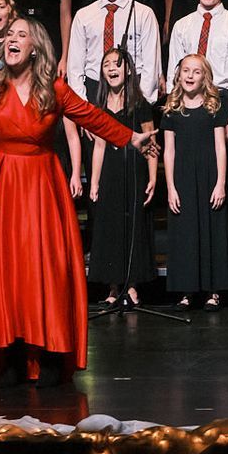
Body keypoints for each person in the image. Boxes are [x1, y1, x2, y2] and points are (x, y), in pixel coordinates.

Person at [0, 19, 156, 385]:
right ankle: (6, 352)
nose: (11, 40)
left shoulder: (53, 89)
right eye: (8, 36)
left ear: (36, 48)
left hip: (41, 186)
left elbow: (92, 116)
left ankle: (42, 353)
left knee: (40, 268)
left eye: (20, 35)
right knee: (3, 270)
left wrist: (131, 137)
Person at [166, 0, 228, 258]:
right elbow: (173, 75)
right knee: (192, 176)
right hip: (189, 103)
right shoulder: (183, 25)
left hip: (225, 101)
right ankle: (197, 252)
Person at [87, 48, 158, 310]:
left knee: (133, 228)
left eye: (117, 64)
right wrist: (94, 182)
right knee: (110, 228)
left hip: (134, 169)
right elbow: (99, 147)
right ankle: (113, 288)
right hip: (110, 172)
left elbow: (151, 143)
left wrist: (152, 177)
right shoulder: (100, 107)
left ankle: (131, 286)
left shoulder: (140, 105)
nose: (112, 68)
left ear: (127, 69)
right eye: (107, 64)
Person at [163, 54, 228, 311]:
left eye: (196, 72)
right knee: (185, 232)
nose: (190, 76)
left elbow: (220, 147)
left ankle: (213, 291)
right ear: (178, 75)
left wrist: (221, 183)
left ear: (205, 77)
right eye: (186, 71)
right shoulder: (172, 110)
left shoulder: (213, 108)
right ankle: (186, 290)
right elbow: (168, 151)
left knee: (212, 229)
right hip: (182, 177)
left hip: (208, 176)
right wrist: (170, 187)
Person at [66, 0, 163, 103]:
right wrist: (82, 105)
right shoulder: (84, 16)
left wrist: (142, 103)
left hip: (132, 88)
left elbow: (151, 64)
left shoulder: (143, 14)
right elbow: (75, 66)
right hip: (94, 89)